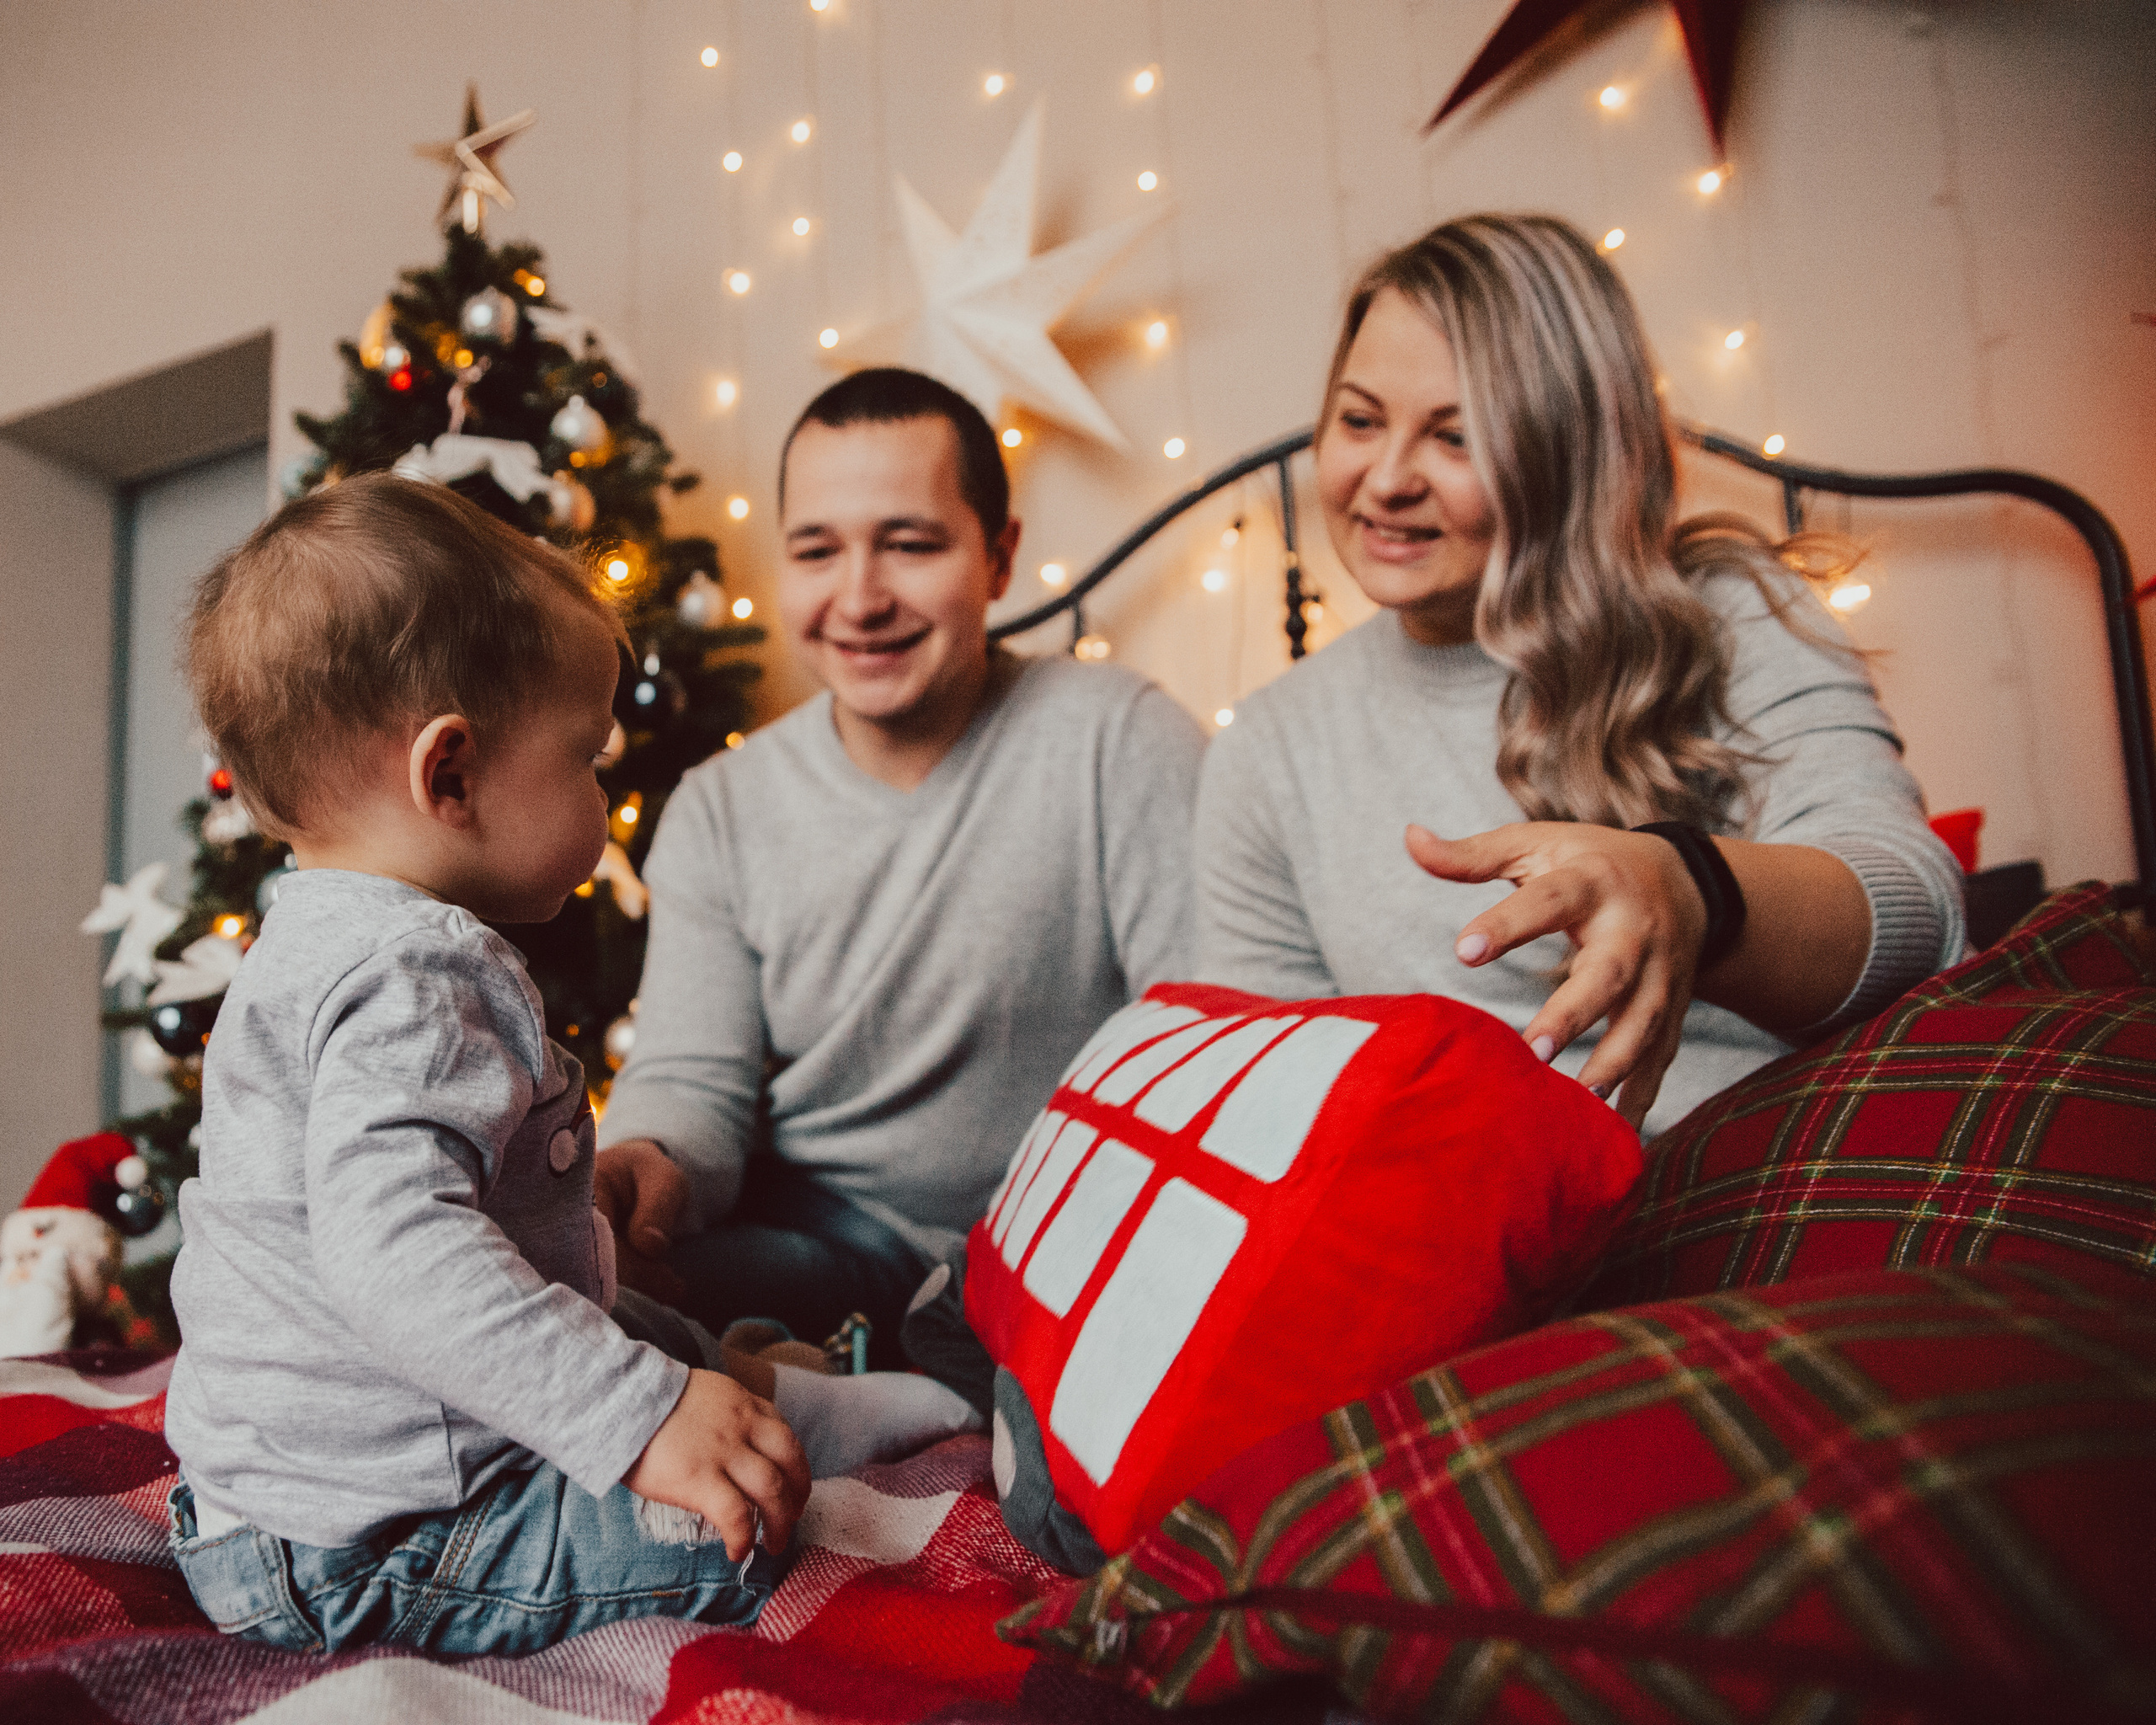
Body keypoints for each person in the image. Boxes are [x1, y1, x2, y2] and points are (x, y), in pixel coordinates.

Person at [163, 476, 977, 1657]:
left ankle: (793, 1399)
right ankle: (771, 1427)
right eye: (586, 757)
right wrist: (636, 1417)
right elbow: (397, 1253)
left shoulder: (311, 940)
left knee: (615, 1303)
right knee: (739, 1529)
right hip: (369, 1535)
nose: (601, 792)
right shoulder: (414, 975)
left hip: (282, 1492)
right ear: (450, 774)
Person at [1195, 214, 1965, 1133]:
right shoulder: (1268, 748)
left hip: (1773, 1165)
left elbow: (1921, 914)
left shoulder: (1724, 611)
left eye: (1456, 437)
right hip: (1483, 1207)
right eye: (1359, 421)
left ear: (1566, 447)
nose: (1388, 478)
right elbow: (1271, 1096)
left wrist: (1687, 888)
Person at [595, 369, 1208, 1360]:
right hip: (825, 1235)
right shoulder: (721, 806)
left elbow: (1209, 1043)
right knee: (594, 1311)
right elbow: (689, 1079)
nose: (860, 598)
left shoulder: (1117, 738)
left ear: (999, 557)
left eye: (911, 544)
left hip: (1065, 1241)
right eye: (816, 551)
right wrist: (644, 1161)